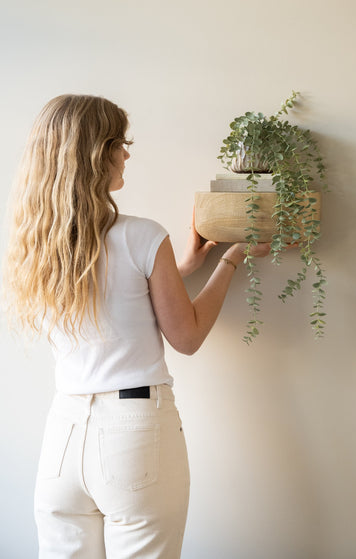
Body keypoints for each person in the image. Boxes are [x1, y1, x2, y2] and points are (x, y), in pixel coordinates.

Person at [3, 94, 273, 559]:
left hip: (62, 439)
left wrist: (177, 268)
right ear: (94, 153)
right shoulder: (142, 235)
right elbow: (185, 337)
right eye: (118, 142)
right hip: (134, 436)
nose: (127, 153)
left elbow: (114, 297)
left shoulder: (39, 246)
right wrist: (232, 258)